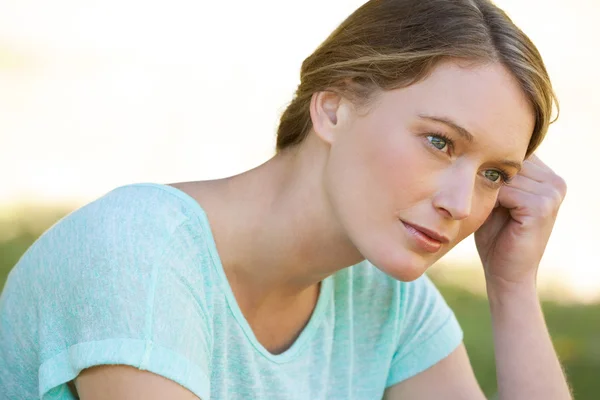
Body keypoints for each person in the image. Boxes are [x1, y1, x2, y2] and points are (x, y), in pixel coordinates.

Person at [0, 0, 572, 398]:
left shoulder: (387, 302)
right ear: (332, 108)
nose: (460, 203)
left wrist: (512, 286)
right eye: (439, 142)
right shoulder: (136, 254)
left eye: (494, 175)